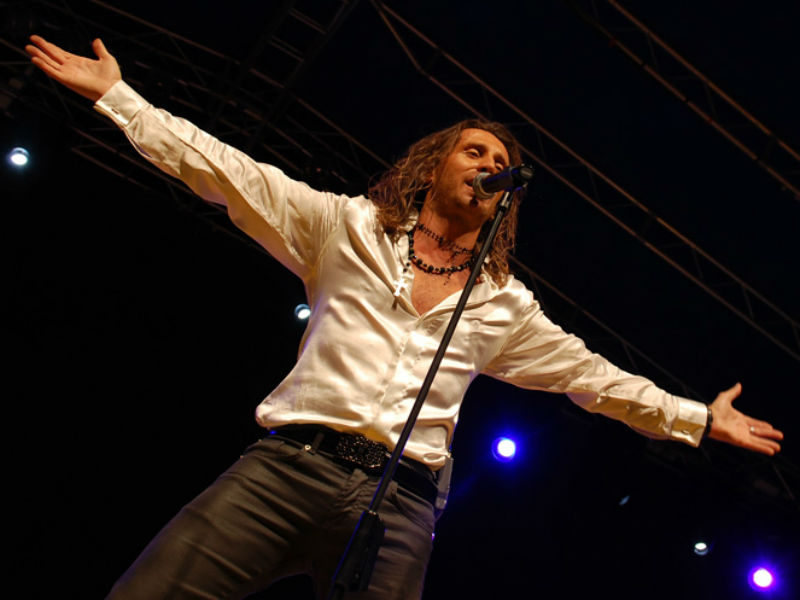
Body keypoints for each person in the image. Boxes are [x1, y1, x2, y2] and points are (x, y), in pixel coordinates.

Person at [26, 35, 784, 600]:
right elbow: (227, 171)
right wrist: (120, 98)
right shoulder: (343, 227)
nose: (490, 166)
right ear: (434, 166)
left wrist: (697, 419)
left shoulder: (505, 306)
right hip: (288, 468)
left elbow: (593, 379)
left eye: (501, 165)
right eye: (475, 152)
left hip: (400, 503)